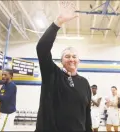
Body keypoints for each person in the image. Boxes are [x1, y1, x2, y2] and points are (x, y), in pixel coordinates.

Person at [35, 2, 92, 132]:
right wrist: (58, 23)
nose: (71, 59)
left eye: (74, 56)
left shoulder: (84, 83)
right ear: (61, 61)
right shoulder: (52, 74)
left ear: (79, 60)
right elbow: (42, 48)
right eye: (67, 56)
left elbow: (87, 114)